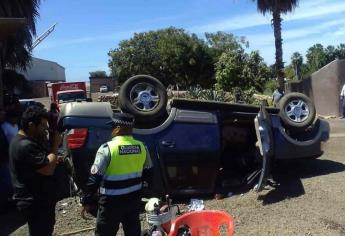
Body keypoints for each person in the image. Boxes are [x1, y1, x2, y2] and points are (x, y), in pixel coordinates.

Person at [81, 113, 152, 236]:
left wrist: (86, 201)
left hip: (110, 204)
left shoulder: (107, 149)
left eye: (112, 127)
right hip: (133, 200)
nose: (111, 130)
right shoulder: (142, 147)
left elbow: (94, 178)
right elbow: (149, 173)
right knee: (133, 232)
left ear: (118, 128)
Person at [9, 105, 62, 236]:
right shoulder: (25, 145)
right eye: (43, 126)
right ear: (31, 125)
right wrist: (55, 146)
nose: (46, 129)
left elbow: (41, 162)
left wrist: (53, 158)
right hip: (34, 202)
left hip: (36, 200)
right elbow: (48, 169)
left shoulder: (25, 141)